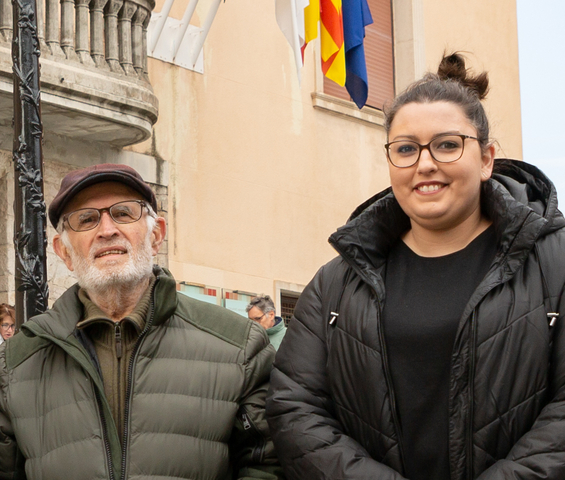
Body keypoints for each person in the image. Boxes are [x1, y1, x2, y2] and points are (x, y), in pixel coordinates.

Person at [266, 53, 565, 480]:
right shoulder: (336, 282)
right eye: (406, 149)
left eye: (447, 145)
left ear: (485, 159)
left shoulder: (554, 261)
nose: (425, 164)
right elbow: (294, 407)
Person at [0, 164, 283, 479]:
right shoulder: (16, 363)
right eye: (87, 219)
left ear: (156, 236)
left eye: (123, 213)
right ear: (64, 252)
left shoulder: (238, 347)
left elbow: (268, 466)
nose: (107, 229)